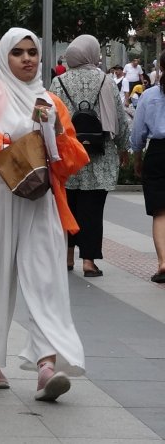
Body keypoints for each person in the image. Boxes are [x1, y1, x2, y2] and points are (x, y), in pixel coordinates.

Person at [0, 27, 89, 404]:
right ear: (4, 58)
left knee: (47, 280)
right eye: (18, 53)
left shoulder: (48, 100)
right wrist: (0, 142)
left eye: (33, 52)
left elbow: (71, 160)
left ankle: (48, 365)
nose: (27, 59)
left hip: (39, 201)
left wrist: (57, 136)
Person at [50, 35, 131, 278]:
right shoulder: (105, 80)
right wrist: (124, 147)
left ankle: (67, 257)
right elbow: (119, 118)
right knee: (93, 210)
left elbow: (50, 116)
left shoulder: (58, 82)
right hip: (99, 156)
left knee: (69, 206)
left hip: (67, 157)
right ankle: (88, 261)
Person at [130, 55, 165, 283]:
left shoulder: (150, 95)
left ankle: (163, 262)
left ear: (160, 67)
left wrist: (137, 158)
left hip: (158, 153)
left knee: (160, 212)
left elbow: (137, 132)